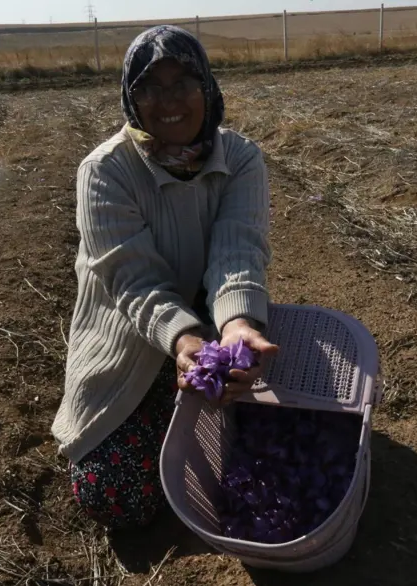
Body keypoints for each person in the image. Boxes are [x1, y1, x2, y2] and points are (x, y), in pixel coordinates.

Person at [50, 25, 279, 530]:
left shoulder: (239, 158)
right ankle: (165, 411)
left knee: (270, 436)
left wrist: (238, 325)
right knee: (114, 495)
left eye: (183, 83)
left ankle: (193, 415)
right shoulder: (105, 170)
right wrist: (181, 338)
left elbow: (237, 250)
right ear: (131, 99)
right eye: (150, 87)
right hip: (128, 333)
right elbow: (132, 280)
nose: (168, 101)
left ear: (208, 89)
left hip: (212, 322)